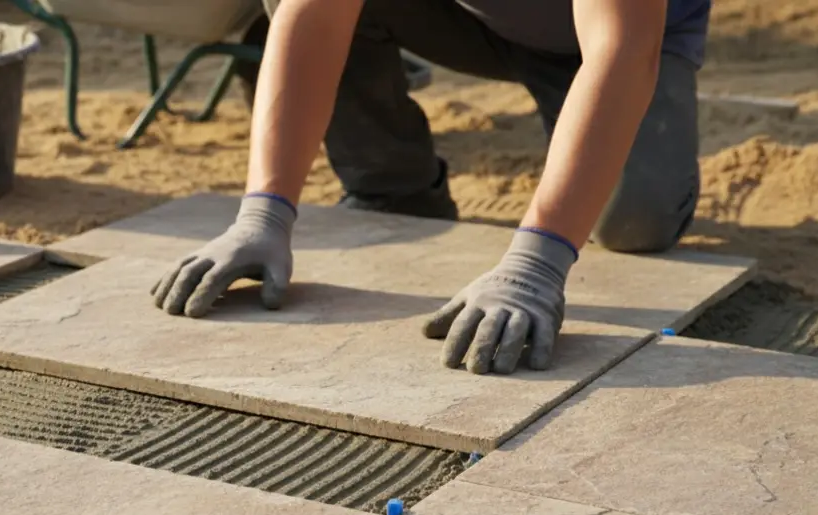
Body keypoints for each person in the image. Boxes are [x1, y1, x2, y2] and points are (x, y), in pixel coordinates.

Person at [149, 0, 711, 375]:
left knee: (638, 221)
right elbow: (313, 13)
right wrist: (263, 212)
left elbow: (621, 48)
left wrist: (537, 263)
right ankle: (396, 188)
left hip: (629, 38)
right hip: (471, 17)